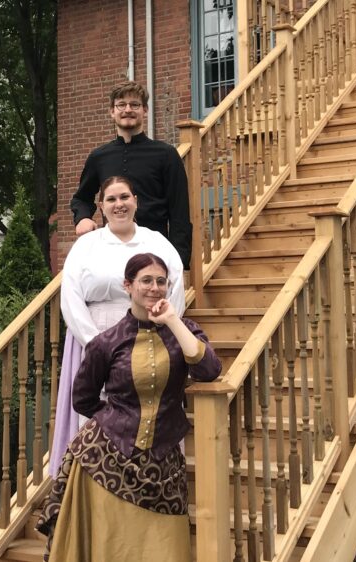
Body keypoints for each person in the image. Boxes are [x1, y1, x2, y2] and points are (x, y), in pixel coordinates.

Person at [37, 253, 221, 561]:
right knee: (110, 548)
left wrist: (172, 320)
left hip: (163, 463)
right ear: (128, 285)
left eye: (161, 281)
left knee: (166, 549)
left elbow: (209, 370)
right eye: (146, 280)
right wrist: (116, 421)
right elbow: (82, 398)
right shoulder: (106, 342)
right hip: (105, 461)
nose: (154, 287)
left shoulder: (184, 330)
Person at [49, 176, 185, 479]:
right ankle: (94, 478)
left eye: (124, 197)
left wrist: (163, 327)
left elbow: (175, 289)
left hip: (149, 336)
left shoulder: (156, 242)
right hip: (94, 334)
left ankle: (149, 478)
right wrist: (96, 344)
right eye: (111, 199)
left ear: (136, 201)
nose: (118, 204)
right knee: (99, 411)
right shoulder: (86, 246)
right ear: (100, 206)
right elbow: (70, 297)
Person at [70, 81, 192, 269]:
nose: (128, 110)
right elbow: (81, 198)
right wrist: (83, 218)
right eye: (121, 105)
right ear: (112, 111)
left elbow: (179, 213)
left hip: (155, 254)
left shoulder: (166, 154)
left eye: (134, 105)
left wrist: (178, 261)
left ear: (145, 110)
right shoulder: (98, 157)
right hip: (111, 253)